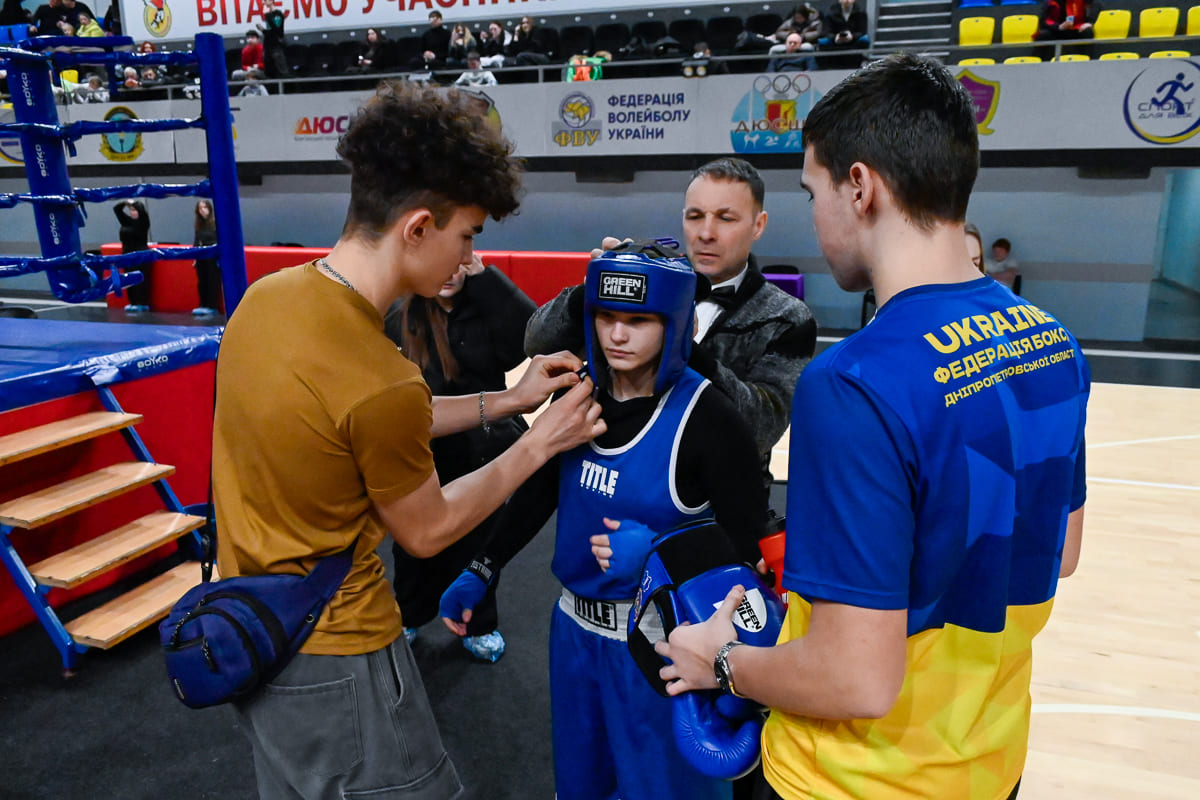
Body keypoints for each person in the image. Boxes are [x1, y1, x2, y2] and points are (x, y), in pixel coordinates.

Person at [655, 53, 1090, 800]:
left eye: (813, 190)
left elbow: (855, 680)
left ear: (860, 187)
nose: (817, 214)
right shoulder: (1053, 339)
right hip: (989, 762)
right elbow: (1063, 551)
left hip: (850, 779)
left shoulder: (855, 382)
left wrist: (720, 662)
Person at [212, 80, 604, 800]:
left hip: (251, 635)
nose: (469, 259)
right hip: (340, 658)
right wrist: (539, 441)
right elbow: (430, 529)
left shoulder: (268, 300)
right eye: (467, 235)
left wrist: (511, 399)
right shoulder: (378, 375)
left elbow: (362, 426)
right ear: (418, 227)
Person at [440, 242, 769, 800]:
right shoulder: (577, 398)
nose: (617, 335)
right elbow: (540, 489)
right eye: (606, 316)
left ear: (675, 323)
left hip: (662, 649)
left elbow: (752, 552)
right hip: (574, 634)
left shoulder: (708, 417)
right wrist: (483, 565)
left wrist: (663, 552)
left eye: (638, 320)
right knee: (579, 787)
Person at [525, 157, 817, 489]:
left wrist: (681, 347)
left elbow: (760, 429)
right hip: (612, 486)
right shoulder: (645, 286)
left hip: (717, 507)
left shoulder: (785, 316)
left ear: (758, 224)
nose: (706, 233)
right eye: (695, 216)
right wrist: (594, 291)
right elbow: (536, 345)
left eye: (726, 218)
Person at [384, 253, 535, 661]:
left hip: (481, 448)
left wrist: (489, 279)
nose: (450, 271)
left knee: (479, 540)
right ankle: (410, 614)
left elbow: (533, 338)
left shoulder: (486, 308)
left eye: (459, 262)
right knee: (412, 546)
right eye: (442, 261)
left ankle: (478, 622)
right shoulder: (401, 313)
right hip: (421, 451)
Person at [114, 199, 151, 312]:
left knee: (140, 279)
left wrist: (134, 203)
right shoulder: (126, 221)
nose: (133, 212)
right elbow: (117, 209)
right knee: (128, 278)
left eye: (135, 210)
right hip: (127, 254)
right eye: (131, 210)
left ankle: (141, 302)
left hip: (140, 254)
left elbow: (142, 212)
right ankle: (133, 302)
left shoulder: (143, 222)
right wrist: (125, 203)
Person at [818, 0, 870, 68]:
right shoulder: (830, 13)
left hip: (854, 40)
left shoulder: (861, 13)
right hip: (835, 41)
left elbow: (862, 31)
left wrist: (852, 36)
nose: (847, 1)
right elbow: (826, 32)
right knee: (822, 42)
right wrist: (835, 37)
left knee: (865, 39)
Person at [192, 198, 220, 316]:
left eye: (205, 207)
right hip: (201, 257)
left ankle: (211, 305)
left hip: (212, 257)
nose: (203, 211)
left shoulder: (215, 223)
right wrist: (194, 257)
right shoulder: (199, 225)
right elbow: (196, 241)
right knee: (202, 281)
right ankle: (203, 304)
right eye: (200, 208)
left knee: (212, 281)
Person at [257, 0, 289, 79]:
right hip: (268, 47)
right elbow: (270, 32)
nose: (263, 3)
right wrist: (263, 30)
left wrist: (267, 14)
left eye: (265, 1)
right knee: (269, 72)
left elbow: (276, 30)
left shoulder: (278, 14)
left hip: (276, 47)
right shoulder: (270, 16)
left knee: (282, 71)